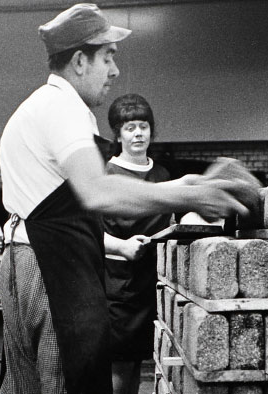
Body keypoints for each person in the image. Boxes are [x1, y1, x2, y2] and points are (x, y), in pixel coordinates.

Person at [0, 3, 253, 394]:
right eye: (108, 57)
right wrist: (199, 196)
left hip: (30, 260)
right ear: (80, 61)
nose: (114, 71)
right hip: (50, 268)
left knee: (26, 386)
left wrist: (188, 185)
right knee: (64, 383)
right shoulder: (63, 108)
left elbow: (86, 192)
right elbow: (99, 191)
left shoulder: (40, 106)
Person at [103, 93, 172, 394]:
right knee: (119, 364)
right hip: (117, 287)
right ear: (117, 134)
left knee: (138, 364)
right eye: (130, 127)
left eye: (143, 126)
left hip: (151, 285)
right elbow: (88, 233)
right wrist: (122, 246)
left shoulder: (162, 175)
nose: (138, 133)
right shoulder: (105, 175)